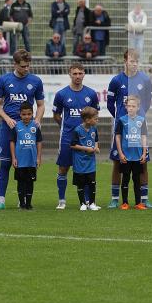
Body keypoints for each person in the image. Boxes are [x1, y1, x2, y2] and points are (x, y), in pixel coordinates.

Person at [0, 50, 45, 210]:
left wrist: (37, 120)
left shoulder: (35, 81)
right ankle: (1, 200)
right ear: (15, 64)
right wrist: (7, 118)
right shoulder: (4, 79)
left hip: (27, 130)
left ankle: (23, 200)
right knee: (5, 164)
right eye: (23, 66)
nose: (26, 69)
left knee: (27, 167)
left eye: (28, 66)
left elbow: (41, 105)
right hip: (9, 128)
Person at [107, 49, 152, 209]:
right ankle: (115, 198)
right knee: (117, 162)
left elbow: (147, 102)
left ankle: (144, 198)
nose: (134, 64)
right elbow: (109, 103)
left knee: (143, 162)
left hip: (139, 127)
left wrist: (138, 118)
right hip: (123, 128)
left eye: (136, 61)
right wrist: (121, 118)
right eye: (131, 61)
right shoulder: (116, 80)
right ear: (125, 61)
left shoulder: (145, 80)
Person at [52, 62, 101, 210]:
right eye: (75, 73)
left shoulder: (91, 94)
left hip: (86, 138)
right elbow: (56, 114)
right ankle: (62, 200)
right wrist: (66, 127)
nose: (78, 76)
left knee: (86, 170)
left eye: (80, 73)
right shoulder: (61, 94)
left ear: (84, 74)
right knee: (63, 168)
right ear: (70, 74)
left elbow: (95, 115)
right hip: (67, 137)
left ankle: (87, 202)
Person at [114, 95, 148, 210]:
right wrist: (120, 153)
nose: (131, 108)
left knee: (137, 180)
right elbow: (118, 137)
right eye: (129, 106)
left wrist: (144, 153)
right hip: (126, 156)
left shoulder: (141, 120)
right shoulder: (122, 120)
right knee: (125, 179)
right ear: (126, 107)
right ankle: (125, 202)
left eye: (133, 106)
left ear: (138, 107)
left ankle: (138, 203)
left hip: (138, 156)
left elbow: (144, 137)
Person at [10, 102, 42, 210]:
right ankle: (22, 203)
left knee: (30, 182)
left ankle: (28, 203)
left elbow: (39, 142)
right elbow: (12, 142)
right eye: (24, 114)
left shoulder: (36, 126)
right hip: (20, 161)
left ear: (32, 114)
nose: (26, 116)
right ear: (20, 114)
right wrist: (14, 158)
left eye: (29, 114)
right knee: (21, 182)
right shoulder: (16, 126)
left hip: (31, 160)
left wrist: (38, 157)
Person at [69, 107, 100, 210]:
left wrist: (96, 147)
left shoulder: (94, 129)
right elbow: (72, 145)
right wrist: (86, 148)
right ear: (87, 119)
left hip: (91, 163)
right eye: (95, 118)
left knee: (92, 183)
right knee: (81, 184)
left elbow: (96, 140)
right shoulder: (77, 130)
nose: (97, 120)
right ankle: (82, 203)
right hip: (79, 162)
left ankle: (92, 203)